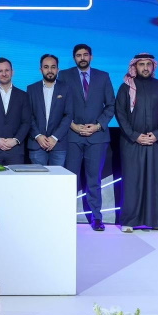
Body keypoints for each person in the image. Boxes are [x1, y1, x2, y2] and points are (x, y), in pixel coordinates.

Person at [115, 53, 158, 233]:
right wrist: (134, 135)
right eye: (141, 64)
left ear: (153, 66)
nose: (145, 67)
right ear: (135, 66)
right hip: (132, 143)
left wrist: (157, 134)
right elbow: (120, 114)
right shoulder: (126, 87)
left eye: (148, 64)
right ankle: (129, 221)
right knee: (132, 181)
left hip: (156, 142)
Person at [59, 44, 116, 231]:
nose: (82, 58)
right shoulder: (64, 76)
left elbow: (111, 105)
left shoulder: (103, 76)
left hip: (97, 136)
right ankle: (65, 217)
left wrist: (97, 125)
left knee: (94, 180)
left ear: (91, 57)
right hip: (72, 136)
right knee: (70, 179)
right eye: (78, 55)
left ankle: (96, 217)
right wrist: (72, 125)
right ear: (74, 58)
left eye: (85, 55)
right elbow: (60, 105)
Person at [27, 54, 71, 167]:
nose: (50, 70)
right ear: (41, 70)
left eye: (53, 67)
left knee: (57, 178)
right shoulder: (31, 89)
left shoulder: (66, 88)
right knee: (38, 178)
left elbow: (68, 115)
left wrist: (54, 137)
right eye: (46, 67)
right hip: (36, 143)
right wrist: (38, 136)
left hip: (58, 144)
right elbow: (28, 115)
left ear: (58, 69)